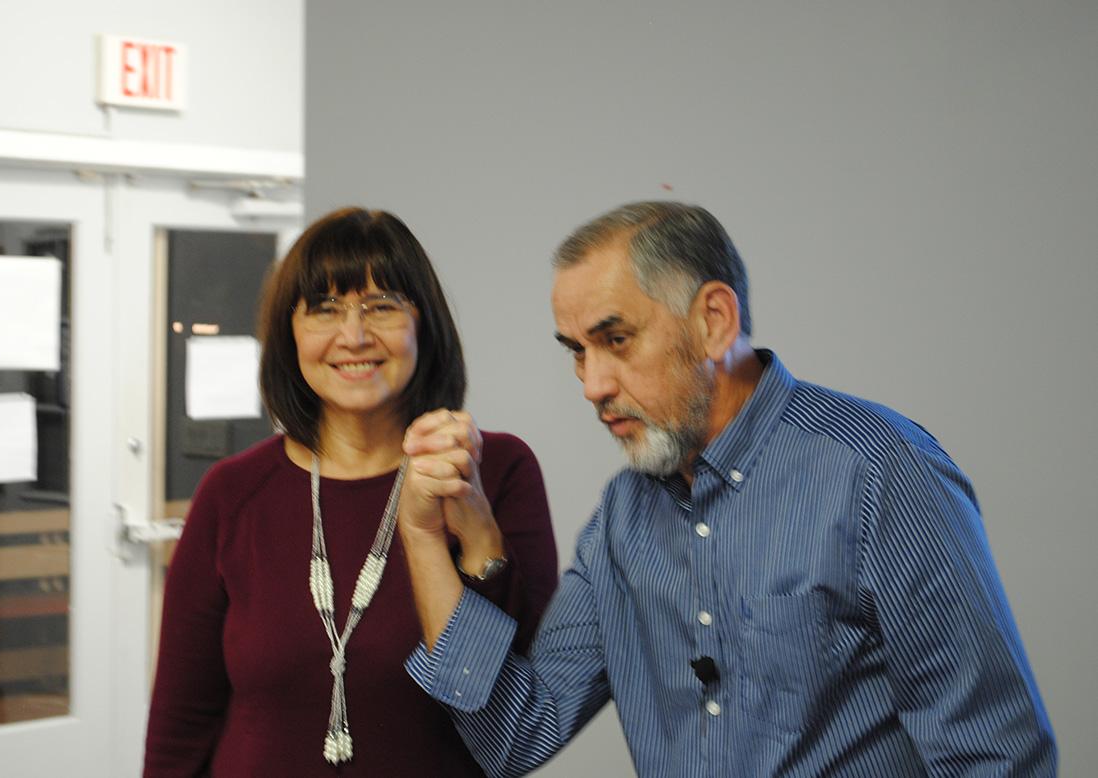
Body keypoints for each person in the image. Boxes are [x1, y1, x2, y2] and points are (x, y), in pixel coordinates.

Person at [397, 201, 1056, 776]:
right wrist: (423, 536)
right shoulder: (623, 518)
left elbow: (992, 754)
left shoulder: (878, 469)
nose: (592, 385)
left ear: (713, 320)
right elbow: (515, 734)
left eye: (616, 340)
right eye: (576, 350)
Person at [143, 207, 558, 777]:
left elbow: (513, 704)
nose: (354, 336)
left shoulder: (495, 470)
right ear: (289, 333)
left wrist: (476, 531)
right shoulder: (232, 493)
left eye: (382, 306)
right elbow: (180, 723)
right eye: (325, 309)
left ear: (423, 323)